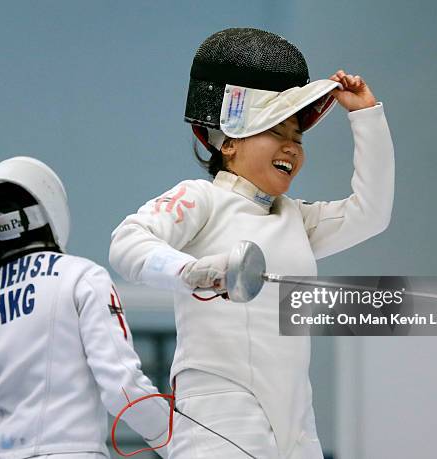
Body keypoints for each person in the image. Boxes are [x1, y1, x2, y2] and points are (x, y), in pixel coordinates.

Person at [109, 27, 395, 458]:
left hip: (296, 419)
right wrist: (192, 271)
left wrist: (366, 115)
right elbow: (127, 243)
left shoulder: (293, 217)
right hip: (221, 413)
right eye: (276, 132)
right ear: (230, 144)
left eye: (297, 136)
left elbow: (371, 213)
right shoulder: (202, 198)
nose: (291, 147)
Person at [0, 157, 170, 459]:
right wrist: (184, 444)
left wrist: (6, 424)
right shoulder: (81, 277)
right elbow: (125, 391)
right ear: (49, 208)